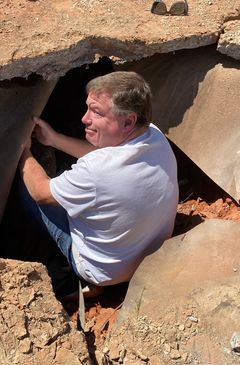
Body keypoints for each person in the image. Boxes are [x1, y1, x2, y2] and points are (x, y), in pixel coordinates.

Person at [19, 71, 178, 297]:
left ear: (128, 121)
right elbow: (104, 155)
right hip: (149, 256)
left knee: (27, 189)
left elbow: (40, 192)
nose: (85, 118)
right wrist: (53, 139)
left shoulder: (96, 171)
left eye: (96, 112)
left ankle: (69, 272)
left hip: (104, 271)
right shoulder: (154, 135)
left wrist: (24, 152)